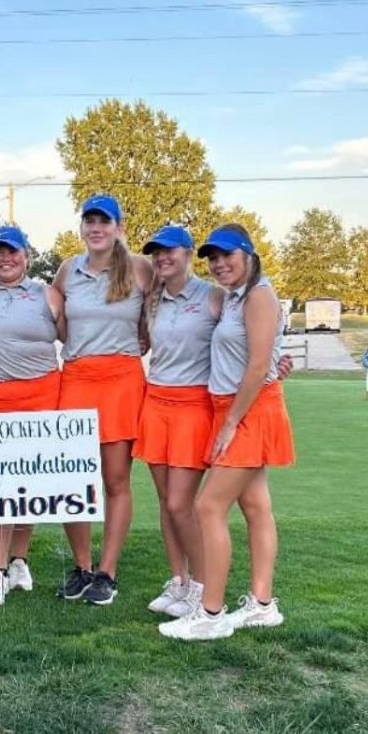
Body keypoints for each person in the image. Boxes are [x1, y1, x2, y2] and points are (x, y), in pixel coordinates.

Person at [160, 224, 295, 641]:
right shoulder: (237, 297)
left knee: (208, 507)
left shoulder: (259, 295)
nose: (219, 265)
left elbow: (257, 366)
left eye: (227, 256)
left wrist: (232, 421)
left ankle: (211, 613)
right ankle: (261, 604)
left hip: (249, 412)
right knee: (255, 506)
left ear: (249, 255)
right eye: (213, 259)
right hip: (236, 407)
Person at [53, 194, 152, 605]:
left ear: (119, 227)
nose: (96, 228)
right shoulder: (67, 270)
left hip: (122, 381)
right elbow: (59, 325)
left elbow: (160, 318)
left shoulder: (141, 269)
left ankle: (107, 571)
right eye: (90, 221)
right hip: (76, 378)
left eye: (104, 222)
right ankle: (81, 566)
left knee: (115, 480)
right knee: (72, 477)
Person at [0, 224, 65, 605]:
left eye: (14, 252)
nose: (6, 258)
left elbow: (73, 336)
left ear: (27, 256)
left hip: (37, 396)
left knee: (28, 485)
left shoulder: (47, 294)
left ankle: (19, 559)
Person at [133, 224, 220, 619]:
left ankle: (203, 588)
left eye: (170, 251)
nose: (162, 258)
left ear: (187, 253)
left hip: (193, 405)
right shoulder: (153, 298)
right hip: (156, 402)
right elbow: (141, 341)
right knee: (166, 505)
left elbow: (244, 335)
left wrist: (275, 364)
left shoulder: (211, 295)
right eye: (157, 253)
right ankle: (179, 581)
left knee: (180, 503)